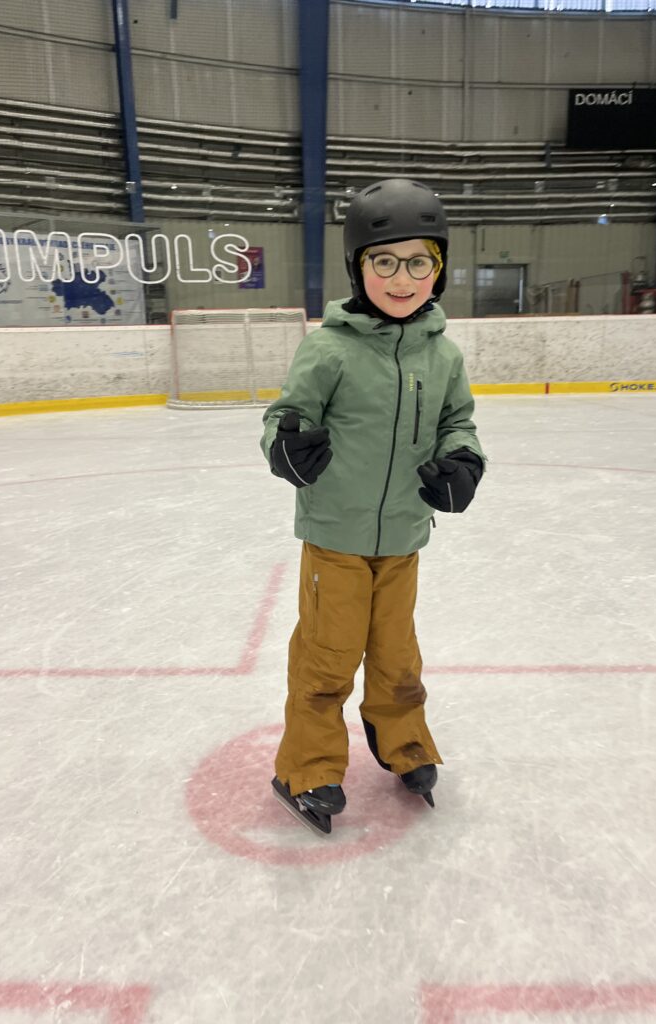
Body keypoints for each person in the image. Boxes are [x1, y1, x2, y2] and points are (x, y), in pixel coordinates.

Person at [260, 178, 486, 835]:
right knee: (326, 658)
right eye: (384, 261)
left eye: (419, 262)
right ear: (357, 268)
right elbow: (286, 417)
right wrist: (286, 448)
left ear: (439, 269)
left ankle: (405, 743)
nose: (401, 277)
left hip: (405, 537)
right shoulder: (328, 348)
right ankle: (305, 768)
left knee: (397, 657)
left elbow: (457, 424)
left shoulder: (443, 355)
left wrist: (464, 463)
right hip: (336, 535)